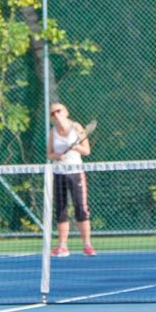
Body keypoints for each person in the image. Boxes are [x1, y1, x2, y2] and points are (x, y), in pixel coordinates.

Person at [49, 103, 96, 257]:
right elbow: (49, 154)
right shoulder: (53, 132)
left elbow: (87, 151)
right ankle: (62, 246)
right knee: (61, 209)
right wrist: (57, 156)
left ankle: (87, 245)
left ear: (66, 112)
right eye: (53, 113)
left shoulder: (76, 128)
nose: (56, 114)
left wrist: (75, 148)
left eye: (59, 111)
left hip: (76, 172)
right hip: (59, 173)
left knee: (81, 208)